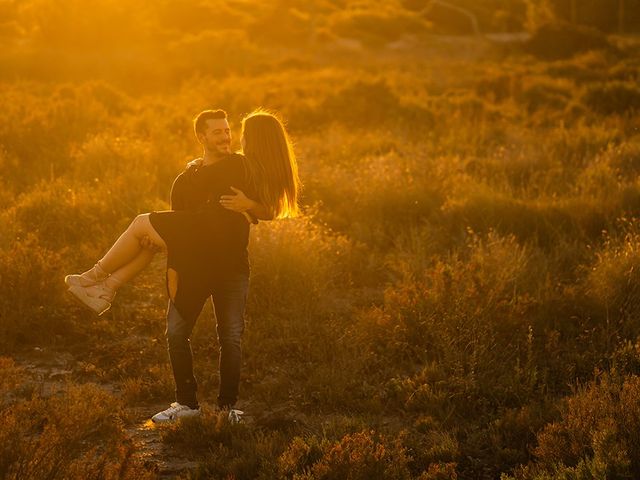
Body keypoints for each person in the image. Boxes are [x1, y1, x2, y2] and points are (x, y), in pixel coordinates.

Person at [65, 109, 300, 421]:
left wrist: (249, 204)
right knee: (177, 332)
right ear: (201, 136)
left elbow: (270, 209)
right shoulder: (205, 174)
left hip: (230, 264)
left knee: (230, 336)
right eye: (220, 132)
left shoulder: (241, 166)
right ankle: (186, 405)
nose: (231, 137)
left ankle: (98, 281)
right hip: (194, 259)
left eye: (233, 132)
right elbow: (252, 203)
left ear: (253, 140)